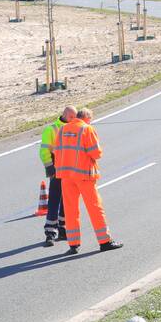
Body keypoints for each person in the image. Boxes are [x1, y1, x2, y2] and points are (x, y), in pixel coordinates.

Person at [54, 107, 123, 254]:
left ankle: (73, 244)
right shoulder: (87, 129)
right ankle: (105, 241)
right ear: (87, 118)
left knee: (70, 210)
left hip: (66, 176)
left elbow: (57, 151)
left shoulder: (62, 129)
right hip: (84, 175)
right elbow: (96, 153)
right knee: (94, 208)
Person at [39, 106, 75, 247]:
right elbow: (44, 151)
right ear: (64, 114)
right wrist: (49, 167)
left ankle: (62, 229)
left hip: (70, 169)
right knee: (54, 200)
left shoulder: (74, 127)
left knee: (66, 200)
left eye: (75, 117)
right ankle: (50, 233)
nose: (74, 119)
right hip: (57, 168)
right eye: (71, 117)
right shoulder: (52, 129)